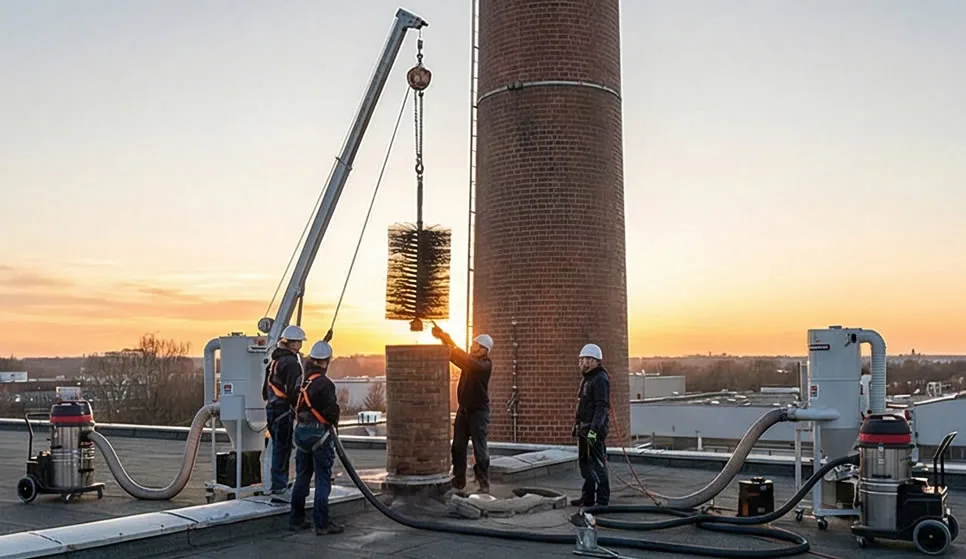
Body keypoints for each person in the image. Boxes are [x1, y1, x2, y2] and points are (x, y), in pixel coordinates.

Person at [289, 339, 344, 535]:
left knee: (302, 477)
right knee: (322, 479)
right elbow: (330, 412)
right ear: (325, 361)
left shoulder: (301, 381)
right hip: (319, 434)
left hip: (301, 433)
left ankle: (296, 519)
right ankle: (322, 524)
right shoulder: (325, 384)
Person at [431, 324, 493, 493]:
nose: (472, 347)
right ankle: (459, 482)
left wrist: (449, 339)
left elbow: (465, 360)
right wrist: (444, 338)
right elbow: (457, 357)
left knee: (480, 449)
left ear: (484, 349)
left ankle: (483, 483)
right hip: (464, 411)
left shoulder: (484, 365)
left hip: (478, 413)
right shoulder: (471, 362)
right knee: (458, 447)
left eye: (475, 345)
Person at [262, 324, 307, 500]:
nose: (299, 346)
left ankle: (278, 483)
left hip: (272, 409)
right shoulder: (291, 363)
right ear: (291, 343)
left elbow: (265, 391)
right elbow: (294, 391)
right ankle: (279, 487)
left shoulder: (274, 361)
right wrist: (299, 409)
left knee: (278, 447)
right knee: (283, 449)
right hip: (283, 411)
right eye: (298, 342)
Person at [571, 343, 611, 507]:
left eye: (588, 359)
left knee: (597, 465)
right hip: (583, 428)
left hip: (593, 431)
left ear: (596, 361)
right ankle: (587, 497)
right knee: (585, 464)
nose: (584, 363)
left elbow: (602, 407)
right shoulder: (587, 379)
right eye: (582, 359)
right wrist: (577, 425)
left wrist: (594, 431)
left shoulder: (600, 379)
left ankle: (602, 501)